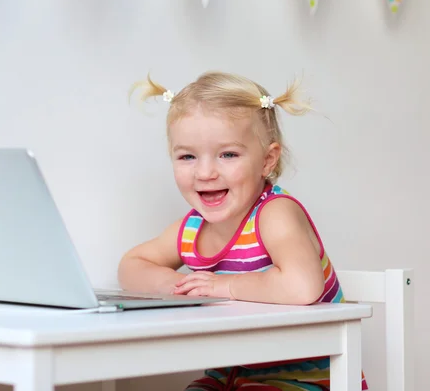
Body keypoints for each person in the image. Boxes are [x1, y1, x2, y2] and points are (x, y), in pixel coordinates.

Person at [118, 71, 368, 390]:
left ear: (267, 160)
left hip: (311, 375)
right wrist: (183, 286)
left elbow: (302, 286)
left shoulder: (274, 213)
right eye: (187, 156)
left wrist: (224, 285)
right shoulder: (192, 228)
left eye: (228, 154)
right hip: (232, 375)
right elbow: (131, 265)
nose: (205, 172)